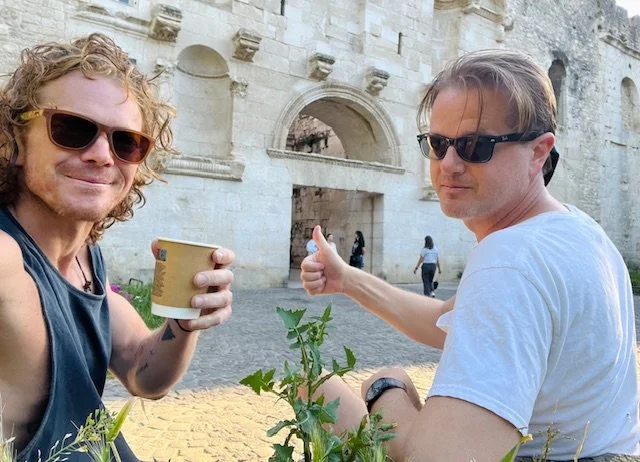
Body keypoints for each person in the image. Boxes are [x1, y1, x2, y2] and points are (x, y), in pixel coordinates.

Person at [300, 49, 639, 461]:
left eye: (475, 146)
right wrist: (347, 279)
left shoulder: (511, 259)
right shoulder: (579, 231)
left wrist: (385, 390)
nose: (448, 164)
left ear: (538, 152)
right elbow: (446, 321)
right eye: (438, 143)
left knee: (316, 390)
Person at [0, 34, 235, 461]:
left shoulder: (87, 260)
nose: (102, 155)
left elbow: (144, 375)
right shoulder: (7, 257)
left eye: (126, 142)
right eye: (72, 129)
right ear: (15, 140)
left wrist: (185, 320)